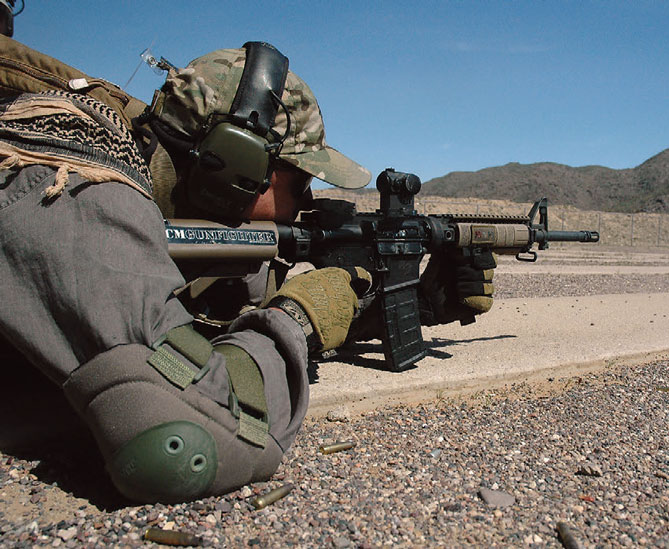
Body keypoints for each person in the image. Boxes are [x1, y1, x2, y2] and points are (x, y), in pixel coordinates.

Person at [0, 41, 494, 503]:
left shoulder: (188, 214)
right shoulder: (71, 186)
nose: (306, 200)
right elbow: (179, 446)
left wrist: (412, 302)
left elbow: (228, 310)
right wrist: (297, 319)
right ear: (236, 163)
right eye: (297, 178)